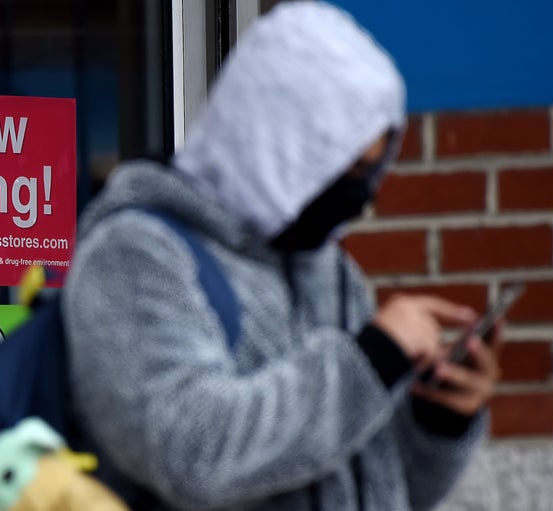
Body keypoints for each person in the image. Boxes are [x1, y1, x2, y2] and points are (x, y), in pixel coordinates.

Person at [61, 2, 501, 510]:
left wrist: (440, 419)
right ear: (275, 144)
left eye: (370, 171)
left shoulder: (330, 271)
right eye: (344, 168)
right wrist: (371, 361)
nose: (362, 196)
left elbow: (380, 487)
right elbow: (189, 452)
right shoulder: (135, 254)